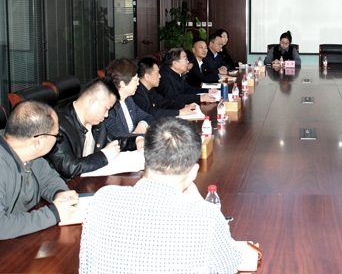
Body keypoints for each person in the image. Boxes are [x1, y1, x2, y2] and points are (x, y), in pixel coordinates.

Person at [79, 117, 242, 273]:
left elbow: (85, 267)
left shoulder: (102, 200)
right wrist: (201, 204)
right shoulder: (206, 219)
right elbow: (229, 266)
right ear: (193, 172)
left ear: (145, 158)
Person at [1, 101, 79, 240]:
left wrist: (60, 193)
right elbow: (2, 226)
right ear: (39, 141)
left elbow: (49, 178)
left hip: (25, 236)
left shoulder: (29, 153)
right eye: (56, 136)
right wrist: (54, 213)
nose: (57, 140)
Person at [45, 77, 144, 179]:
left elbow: (113, 141)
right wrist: (104, 156)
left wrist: (136, 140)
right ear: (92, 101)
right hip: (67, 186)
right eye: (106, 109)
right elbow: (69, 167)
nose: (106, 115)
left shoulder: (97, 123)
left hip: (89, 181)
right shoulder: (57, 126)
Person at [133, 57, 199, 119]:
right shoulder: (137, 93)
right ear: (147, 77)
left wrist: (184, 106)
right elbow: (151, 112)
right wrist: (179, 112)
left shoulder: (150, 89)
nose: (160, 76)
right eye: (157, 73)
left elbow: (164, 102)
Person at [104, 58, 154, 138]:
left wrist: (143, 123)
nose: (138, 83)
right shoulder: (110, 107)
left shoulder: (128, 100)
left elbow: (148, 117)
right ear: (122, 83)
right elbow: (116, 136)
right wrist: (139, 137)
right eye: (135, 80)